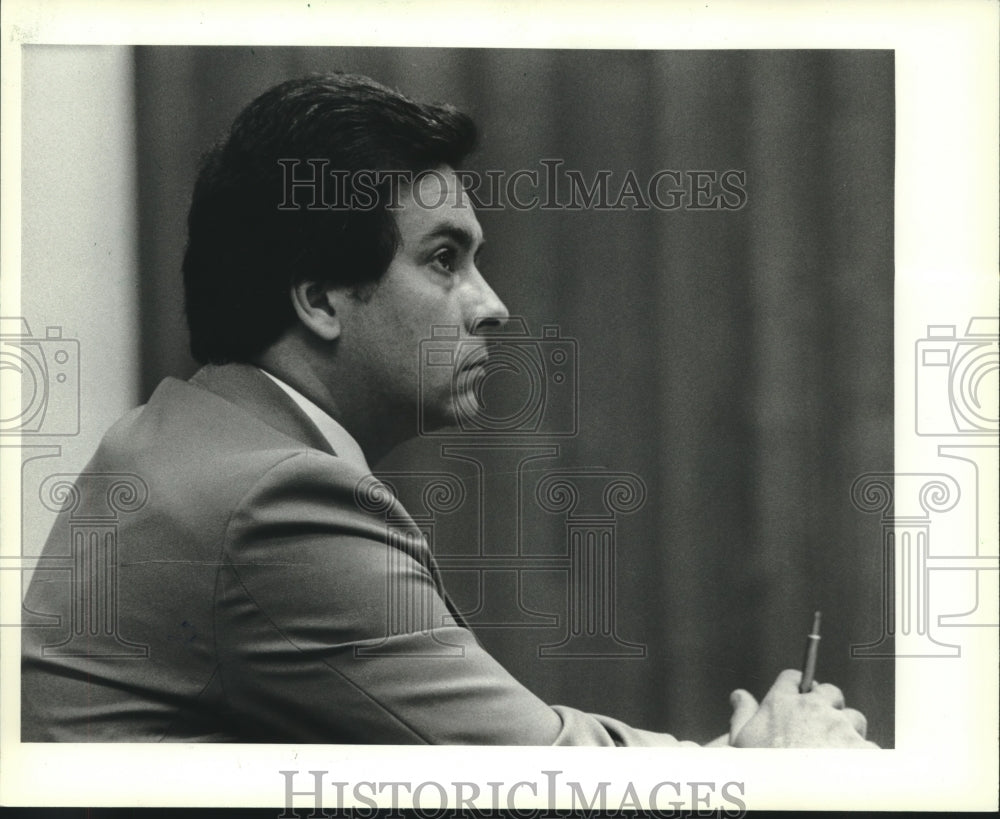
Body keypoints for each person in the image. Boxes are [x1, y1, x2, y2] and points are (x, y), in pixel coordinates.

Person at [21, 72, 875, 747]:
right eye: (443, 260)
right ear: (319, 298)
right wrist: (772, 764)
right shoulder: (274, 500)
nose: (492, 305)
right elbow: (531, 775)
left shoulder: (181, 435)